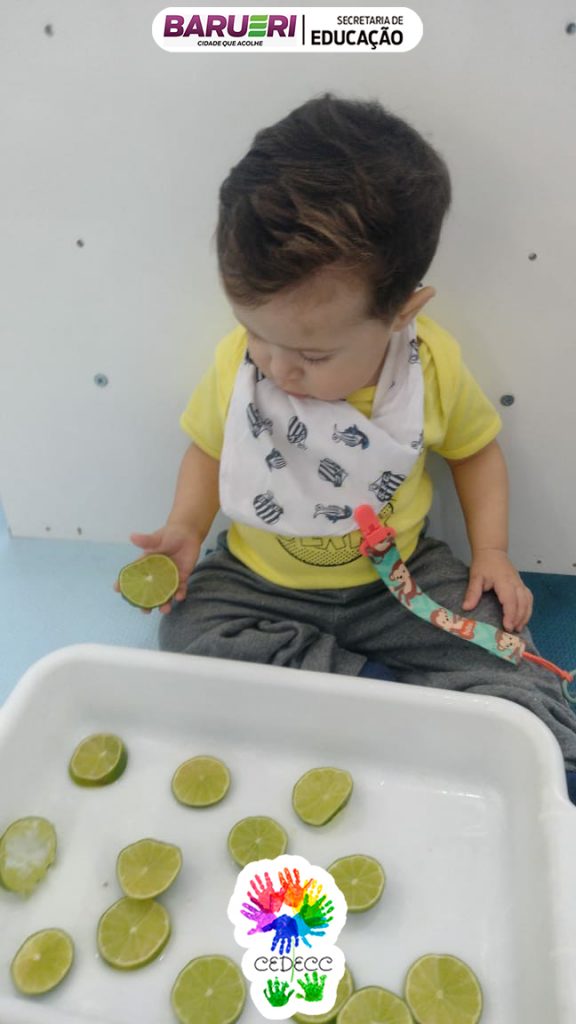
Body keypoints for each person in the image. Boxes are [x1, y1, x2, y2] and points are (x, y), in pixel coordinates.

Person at [121, 93, 576, 787]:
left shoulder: (427, 367)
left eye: (313, 354)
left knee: (509, 663)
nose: (277, 368)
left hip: (399, 578)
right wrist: (185, 528)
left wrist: (491, 552)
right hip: (259, 582)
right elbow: (210, 449)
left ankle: (351, 701)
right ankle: (373, 692)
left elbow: (476, 451)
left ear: (400, 314)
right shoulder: (241, 367)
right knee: (189, 633)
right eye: (257, 334)